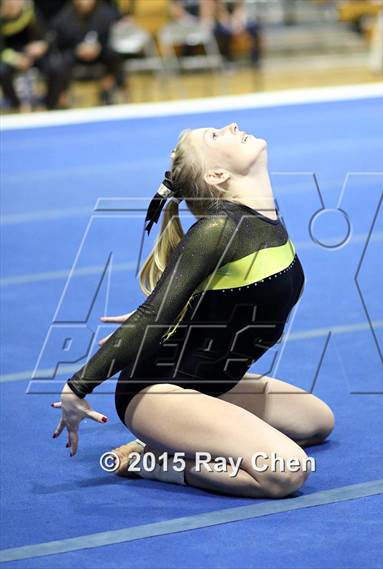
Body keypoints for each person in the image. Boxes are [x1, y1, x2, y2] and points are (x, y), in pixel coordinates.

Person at [51, 122, 335, 498]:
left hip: (213, 383)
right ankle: (151, 463)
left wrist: (180, 313)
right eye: (216, 135)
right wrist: (77, 386)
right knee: (286, 472)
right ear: (217, 175)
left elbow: (213, 294)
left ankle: (187, 436)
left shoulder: (263, 220)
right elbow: (154, 315)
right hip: (157, 390)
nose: (231, 126)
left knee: (318, 423)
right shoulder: (217, 229)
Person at [50, 0, 126, 105]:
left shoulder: (105, 14)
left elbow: (111, 37)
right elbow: (59, 44)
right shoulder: (64, 17)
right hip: (74, 55)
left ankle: (112, 87)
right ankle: (61, 97)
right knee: (59, 63)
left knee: (113, 55)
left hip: (99, 53)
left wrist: (98, 48)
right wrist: (77, 50)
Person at [0, 0, 65, 111]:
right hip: (12, 57)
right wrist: (15, 59)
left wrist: (42, 45)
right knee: (2, 71)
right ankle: (17, 105)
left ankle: (47, 105)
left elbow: (46, 36)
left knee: (57, 67)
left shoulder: (30, 12)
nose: (15, 3)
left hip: (33, 55)